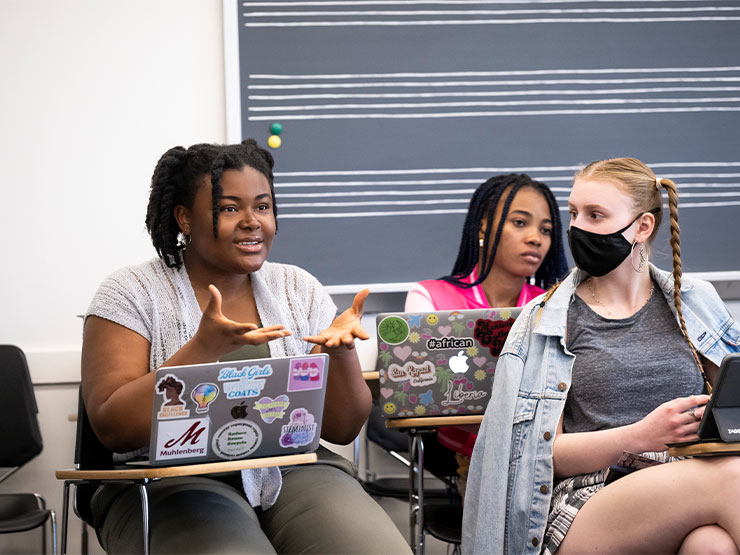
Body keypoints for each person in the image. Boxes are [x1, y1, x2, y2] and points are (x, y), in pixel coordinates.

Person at [81, 139, 411, 554]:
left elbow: (341, 428)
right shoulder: (129, 293)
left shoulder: (298, 288)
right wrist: (202, 348)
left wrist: (339, 352)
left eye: (263, 206)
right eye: (229, 207)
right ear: (184, 217)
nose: (253, 221)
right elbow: (112, 428)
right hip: (169, 481)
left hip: (293, 471)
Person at [462, 157, 740, 554]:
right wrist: (640, 437)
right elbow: (539, 455)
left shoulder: (694, 302)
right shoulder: (545, 319)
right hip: (586, 500)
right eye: (574, 213)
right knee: (732, 478)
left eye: (596, 215)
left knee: (712, 545)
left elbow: (734, 411)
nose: (577, 228)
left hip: (684, 479)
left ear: (642, 227)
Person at [404, 174, 568, 495]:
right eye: (520, 223)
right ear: (482, 227)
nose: (536, 238)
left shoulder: (556, 305)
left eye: (546, 230)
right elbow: (425, 396)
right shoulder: (430, 299)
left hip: (551, 457)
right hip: (471, 459)